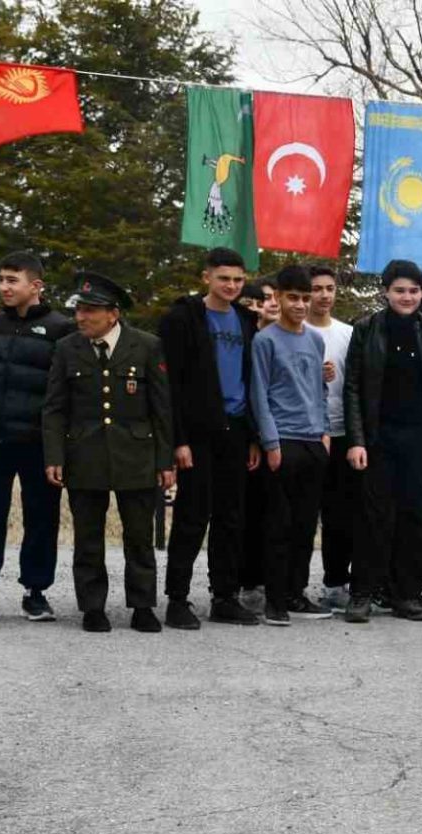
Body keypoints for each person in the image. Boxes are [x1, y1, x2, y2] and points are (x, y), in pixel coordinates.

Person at [43, 271, 174, 633]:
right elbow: (54, 408)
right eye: (79, 310)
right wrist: (54, 456)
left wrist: (165, 460)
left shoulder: (146, 345)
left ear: (113, 314)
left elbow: (161, 408)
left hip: (137, 455)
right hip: (84, 453)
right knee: (88, 537)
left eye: (90, 310)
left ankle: (143, 606)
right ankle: (92, 607)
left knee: (139, 537)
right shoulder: (67, 348)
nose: (80, 317)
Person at [343, 259, 422, 624]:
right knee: (374, 518)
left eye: (413, 290)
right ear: (386, 292)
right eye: (399, 290)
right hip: (379, 439)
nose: (407, 297)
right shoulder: (366, 329)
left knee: (417, 519)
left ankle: (407, 594)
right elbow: (352, 387)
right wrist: (357, 440)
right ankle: (362, 592)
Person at [156, 247, 260, 629]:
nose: (231, 285)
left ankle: (224, 596)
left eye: (238, 279)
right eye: (224, 278)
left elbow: (252, 379)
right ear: (206, 278)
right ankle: (177, 599)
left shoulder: (246, 320)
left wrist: (253, 436)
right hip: (198, 432)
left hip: (237, 429)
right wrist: (178, 440)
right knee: (192, 516)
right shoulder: (181, 319)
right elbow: (171, 385)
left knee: (231, 517)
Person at [0, 251, 73, 623]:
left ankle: (36, 592)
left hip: (38, 443)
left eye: (12, 280)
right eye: (0, 279)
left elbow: (65, 391)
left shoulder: (61, 328)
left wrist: (60, 444)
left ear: (36, 285)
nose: (3, 287)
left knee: (41, 519)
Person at [248, 266, 331, 626]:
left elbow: (319, 390)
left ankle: (297, 593)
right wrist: (270, 441)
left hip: (314, 441)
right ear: (279, 297)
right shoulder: (265, 341)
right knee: (278, 525)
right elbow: (259, 394)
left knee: (305, 525)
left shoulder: (315, 340)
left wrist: (324, 432)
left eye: (305, 298)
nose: (300, 304)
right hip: (283, 441)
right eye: (293, 297)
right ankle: (275, 599)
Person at [306, 265, 357, 611]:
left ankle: (336, 582)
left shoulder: (348, 334)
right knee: (302, 513)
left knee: (340, 515)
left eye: (329, 288)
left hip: (342, 432)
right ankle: (289, 585)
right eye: (316, 289)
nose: (324, 295)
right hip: (306, 433)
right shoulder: (295, 331)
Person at [237, 278, 279, 614]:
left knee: (275, 514)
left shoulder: (291, 338)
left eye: (270, 299)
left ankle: (276, 582)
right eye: (259, 300)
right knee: (247, 513)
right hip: (249, 436)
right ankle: (246, 581)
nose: (267, 305)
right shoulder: (246, 340)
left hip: (285, 436)